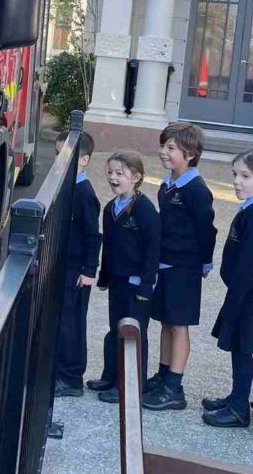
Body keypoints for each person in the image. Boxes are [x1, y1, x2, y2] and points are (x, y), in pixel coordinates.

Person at [203, 150, 253, 430]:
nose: (237, 182)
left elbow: (252, 263)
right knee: (238, 349)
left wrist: (236, 298)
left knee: (241, 349)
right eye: (235, 175)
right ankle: (235, 397)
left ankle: (239, 409)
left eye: (245, 176)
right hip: (242, 292)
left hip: (250, 295)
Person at [143, 122, 216, 412]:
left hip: (184, 265)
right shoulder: (168, 182)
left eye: (171, 148)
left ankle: (175, 385)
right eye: (164, 145)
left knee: (179, 324)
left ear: (190, 153)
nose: (164, 152)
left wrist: (204, 261)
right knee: (165, 321)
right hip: (165, 262)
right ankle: (163, 374)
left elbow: (206, 229)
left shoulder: (196, 190)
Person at [88, 150, 159, 404]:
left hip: (136, 283)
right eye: (110, 172)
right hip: (117, 280)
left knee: (133, 333)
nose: (113, 178)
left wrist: (146, 284)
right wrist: (104, 276)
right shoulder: (110, 209)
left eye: (120, 173)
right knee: (114, 329)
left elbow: (152, 249)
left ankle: (130, 384)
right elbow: (109, 245)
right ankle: (111, 375)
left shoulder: (144, 210)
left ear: (137, 177)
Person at [54, 131, 102, 397]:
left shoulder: (84, 193)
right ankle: (60, 371)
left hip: (77, 270)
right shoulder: (69, 186)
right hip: (67, 266)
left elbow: (93, 235)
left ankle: (72, 378)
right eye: (57, 153)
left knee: (72, 324)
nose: (59, 160)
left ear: (84, 161)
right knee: (62, 321)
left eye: (65, 155)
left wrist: (88, 270)